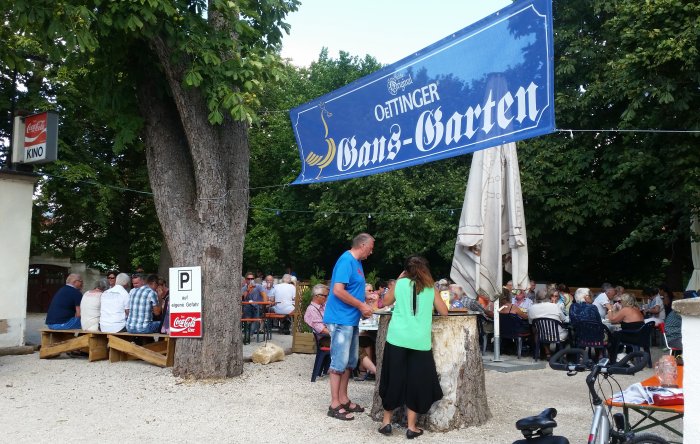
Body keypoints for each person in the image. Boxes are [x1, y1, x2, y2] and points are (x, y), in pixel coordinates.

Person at [377, 255, 448, 438]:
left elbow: (385, 302)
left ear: (406, 270)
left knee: (393, 378)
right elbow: (444, 312)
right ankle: (411, 427)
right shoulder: (431, 288)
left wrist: (398, 281)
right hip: (419, 341)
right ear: (425, 269)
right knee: (417, 382)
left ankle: (386, 423)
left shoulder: (400, 284)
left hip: (397, 338)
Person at [323, 233, 374, 421]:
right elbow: (337, 291)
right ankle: (334, 404)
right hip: (340, 319)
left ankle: (344, 399)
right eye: (371, 247)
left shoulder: (357, 264)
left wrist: (365, 298)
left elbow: (351, 289)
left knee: (350, 362)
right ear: (362, 245)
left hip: (350, 320)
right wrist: (361, 305)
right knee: (338, 362)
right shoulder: (346, 260)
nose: (372, 251)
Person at [607, 293, 645, 362]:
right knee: (618, 334)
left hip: (632, 337)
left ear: (624, 301)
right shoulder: (636, 309)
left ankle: (613, 359)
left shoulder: (625, 309)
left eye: (620, 301)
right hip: (640, 336)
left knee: (613, 336)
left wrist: (610, 309)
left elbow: (612, 320)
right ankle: (627, 356)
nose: (619, 302)